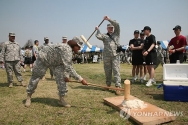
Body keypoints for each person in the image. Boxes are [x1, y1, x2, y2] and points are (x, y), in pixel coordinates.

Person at [25, 37, 88, 108]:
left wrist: (66, 76)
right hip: (44, 59)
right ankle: (29, 97)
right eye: (78, 47)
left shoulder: (69, 51)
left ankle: (61, 99)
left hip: (56, 63)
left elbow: (66, 66)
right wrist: (81, 79)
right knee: (36, 77)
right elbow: (69, 68)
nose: (79, 49)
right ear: (74, 45)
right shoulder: (67, 50)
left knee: (62, 79)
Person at [95, 15, 121, 95]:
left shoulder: (116, 33)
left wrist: (109, 19)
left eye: (112, 27)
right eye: (110, 27)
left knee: (116, 71)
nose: (111, 29)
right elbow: (98, 36)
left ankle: (118, 87)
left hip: (115, 55)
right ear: (107, 28)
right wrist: (97, 30)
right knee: (107, 71)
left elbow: (117, 25)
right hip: (106, 56)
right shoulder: (105, 36)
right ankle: (108, 85)